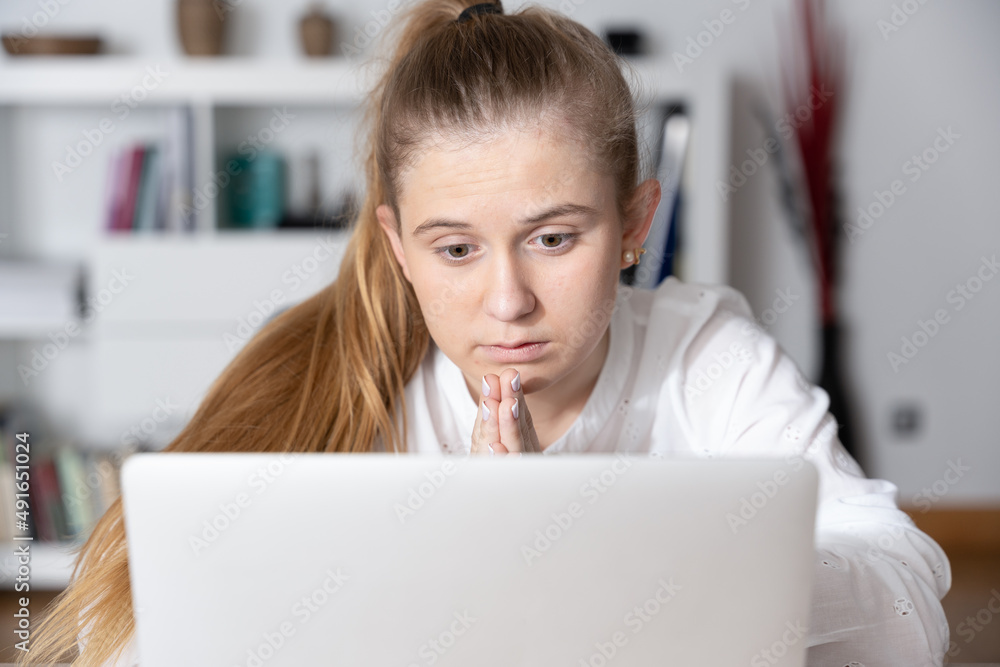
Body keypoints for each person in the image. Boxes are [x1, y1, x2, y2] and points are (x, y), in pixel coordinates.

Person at [22, 0, 951, 665]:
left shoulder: (706, 357)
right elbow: (127, 633)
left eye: (553, 239)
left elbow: (909, 608)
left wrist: (592, 549)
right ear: (399, 247)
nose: (508, 301)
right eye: (457, 249)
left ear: (635, 222)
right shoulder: (335, 381)